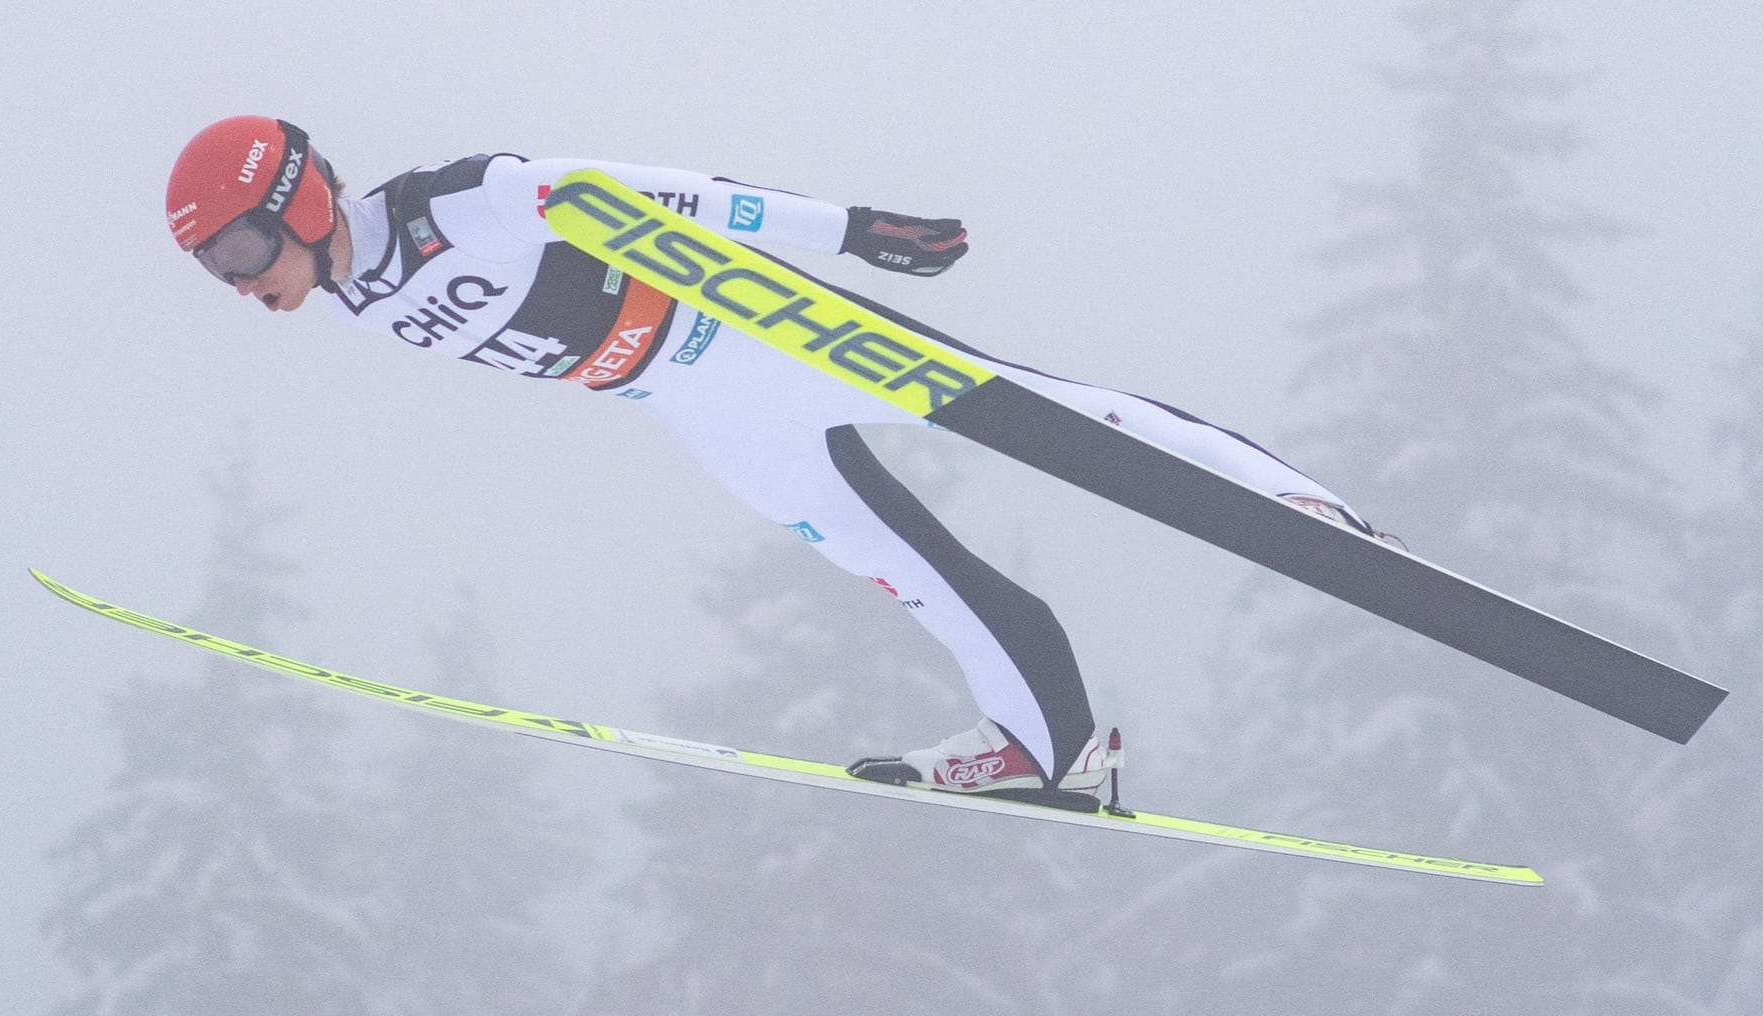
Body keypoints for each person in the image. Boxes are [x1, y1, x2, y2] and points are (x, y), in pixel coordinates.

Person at [164, 116, 1396, 805]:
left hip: (750, 329)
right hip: (684, 400)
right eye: (218, 271)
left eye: (245, 248)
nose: (244, 283)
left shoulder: (470, 200)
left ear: (302, 199)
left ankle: (1294, 501)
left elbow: (674, 197)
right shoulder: (352, 298)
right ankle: (1050, 747)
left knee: (1039, 413)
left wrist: (854, 233)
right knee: (894, 562)